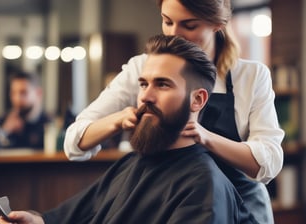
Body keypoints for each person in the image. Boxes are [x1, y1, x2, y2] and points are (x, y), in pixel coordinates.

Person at [0, 34, 257, 224]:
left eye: (162, 85)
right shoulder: (132, 162)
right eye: (143, 84)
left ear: (197, 99)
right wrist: (35, 221)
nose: (145, 97)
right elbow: (68, 217)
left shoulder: (203, 188)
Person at [64, 0, 284, 223]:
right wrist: (118, 120)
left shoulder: (250, 75)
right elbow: (74, 141)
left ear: (217, 24)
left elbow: (270, 162)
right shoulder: (145, 68)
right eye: (167, 22)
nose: (174, 34)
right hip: (171, 200)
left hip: (240, 207)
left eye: (189, 25)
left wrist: (206, 137)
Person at [0, 69, 50, 149]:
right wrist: (5, 131)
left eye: (23, 93)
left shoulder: (48, 125)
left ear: (38, 93)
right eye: (13, 93)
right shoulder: (2, 122)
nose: (17, 98)